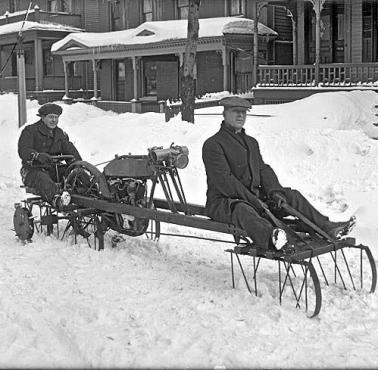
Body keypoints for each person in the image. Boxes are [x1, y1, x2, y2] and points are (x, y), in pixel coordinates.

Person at [202, 96, 355, 251]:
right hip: (225, 203)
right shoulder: (213, 144)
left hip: (254, 199)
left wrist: (275, 192)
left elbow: (262, 169)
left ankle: (327, 227)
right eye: (235, 111)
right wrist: (255, 201)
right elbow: (225, 182)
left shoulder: (251, 143)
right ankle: (273, 239)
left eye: (243, 112)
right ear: (224, 114)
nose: (240, 116)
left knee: (292, 196)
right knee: (243, 210)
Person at [18, 102, 82, 210]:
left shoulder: (60, 133)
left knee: (77, 174)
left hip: (54, 169)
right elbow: (23, 150)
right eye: (51, 117)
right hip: (32, 171)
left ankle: (92, 196)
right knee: (43, 179)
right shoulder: (30, 131)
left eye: (56, 117)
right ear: (42, 117)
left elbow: (70, 150)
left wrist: (77, 165)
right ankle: (58, 200)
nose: (54, 120)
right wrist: (37, 156)